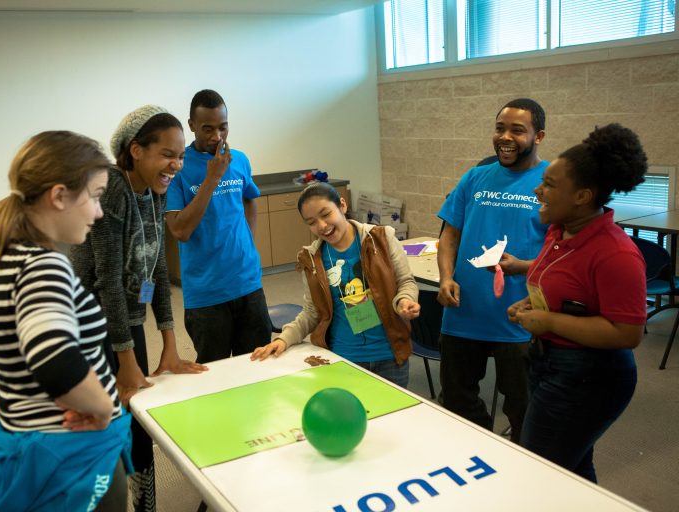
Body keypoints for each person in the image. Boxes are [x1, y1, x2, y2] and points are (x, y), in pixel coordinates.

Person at [0, 131, 131, 511]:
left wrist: (6, 380)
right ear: (58, 196)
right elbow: (55, 361)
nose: (99, 212)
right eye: (96, 196)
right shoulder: (44, 267)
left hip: (23, 441)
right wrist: (102, 409)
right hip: (74, 456)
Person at [70, 105, 207, 512]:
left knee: (139, 420)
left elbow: (158, 267)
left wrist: (169, 343)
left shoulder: (150, 192)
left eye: (181, 155)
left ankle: (144, 503)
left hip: (124, 325)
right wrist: (126, 361)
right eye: (168, 154)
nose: (177, 165)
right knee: (109, 427)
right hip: (91, 332)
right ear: (136, 150)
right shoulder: (111, 188)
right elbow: (107, 281)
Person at [508, 123, 647, 482]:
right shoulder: (559, 230)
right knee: (573, 468)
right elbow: (566, 291)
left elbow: (628, 333)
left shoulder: (616, 253)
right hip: (549, 362)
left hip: (590, 377)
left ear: (582, 196)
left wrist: (549, 322)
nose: (539, 190)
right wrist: (530, 305)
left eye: (550, 185)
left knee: (541, 474)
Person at [436, 98, 548, 442]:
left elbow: (566, 254)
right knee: (457, 400)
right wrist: (445, 278)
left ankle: (522, 462)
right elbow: (449, 235)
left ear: (538, 136)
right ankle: (480, 449)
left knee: (524, 407)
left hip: (521, 317)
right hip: (464, 311)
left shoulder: (550, 182)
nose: (505, 137)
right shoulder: (475, 177)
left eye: (517, 130)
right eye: (500, 128)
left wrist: (524, 266)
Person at [250, 183, 420, 387]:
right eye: (311, 222)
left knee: (394, 416)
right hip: (344, 358)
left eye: (326, 214)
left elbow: (405, 282)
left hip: (390, 356)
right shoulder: (312, 259)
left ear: (342, 205)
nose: (322, 226)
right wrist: (283, 339)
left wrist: (405, 300)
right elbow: (312, 312)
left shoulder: (381, 238)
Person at [166, 89, 272, 363]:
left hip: (248, 283)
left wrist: (247, 239)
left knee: (258, 367)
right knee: (215, 379)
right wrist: (212, 177)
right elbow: (180, 230)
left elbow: (250, 198)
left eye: (223, 127)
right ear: (191, 126)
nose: (216, 137)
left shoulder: (239, 159)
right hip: (206, 294)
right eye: (207, 129)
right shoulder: (178, 168)